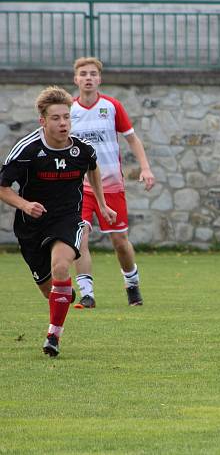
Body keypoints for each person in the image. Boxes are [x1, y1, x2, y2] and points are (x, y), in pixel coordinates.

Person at [0, 86, 116, 356]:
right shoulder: (27, 150)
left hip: (68, 218)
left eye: (67, 117)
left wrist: (101, 203)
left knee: (62, 265)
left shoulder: (81, 150)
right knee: (48, 288)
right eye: (56, 118)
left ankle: (53, 336)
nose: (63, 123)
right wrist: (25, 204)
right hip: (31, 226)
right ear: (43, 120)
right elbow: (3, 188)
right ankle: (61, 296)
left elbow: (93, 169)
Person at [70, 57, 155, 308]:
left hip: (111, 187)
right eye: (83, 74)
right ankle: (87, 294)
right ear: (76, 79)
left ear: (99, 79)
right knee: (80, 238)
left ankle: (132, 284)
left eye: (93, 74)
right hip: (78, 187)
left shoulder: (112, 106)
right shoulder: (69, 110)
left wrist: (146, 168)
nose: (88, 78)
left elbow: (132, 139)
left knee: (120, 242)